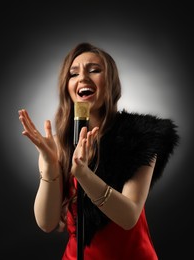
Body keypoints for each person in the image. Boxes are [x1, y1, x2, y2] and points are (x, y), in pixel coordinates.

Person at [18, 42, 179, 259]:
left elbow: (128, 217)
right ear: (67, 87)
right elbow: (47, 224)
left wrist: (84, 175)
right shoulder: (57, 146)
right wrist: (49, 167)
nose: (83, 77)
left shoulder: (140, 136)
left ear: (110, 84)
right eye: (73, 74)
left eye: (94, 70)